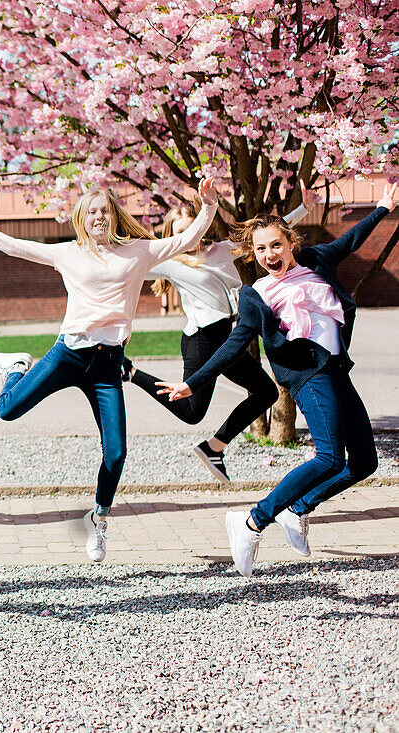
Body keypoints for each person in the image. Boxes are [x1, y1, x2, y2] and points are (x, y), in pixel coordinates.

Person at [0, 178, 218, 562]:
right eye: (91, 211)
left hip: (108, 366)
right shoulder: (67, 253)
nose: (98, 216)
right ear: (81, 219)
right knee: (6, 410)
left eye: (104, 210)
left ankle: (99, 520)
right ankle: (17, 366)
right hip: (67, 354)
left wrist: (208, 206)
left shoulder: (138, 252)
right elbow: (16, 247)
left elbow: (186, 240)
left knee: (117, 452)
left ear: (115, 216)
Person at [159, 182, 397, 577]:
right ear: (254, 254)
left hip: (338, 371)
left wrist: (384, 208)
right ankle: (253, 521)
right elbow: (234, 345)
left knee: (365, 462)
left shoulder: (318, 261)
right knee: (329, 457)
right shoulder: (258, 294)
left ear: (290, 243)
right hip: (309, 376)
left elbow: (352, 239)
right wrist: (193, 383)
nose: (270, 255)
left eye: (276, 245)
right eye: (261, 249)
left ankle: (299, 509)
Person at [124, 183, 315, 483]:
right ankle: (131, 372)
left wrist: (304, 207)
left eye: (193, 229)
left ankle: (214, 448)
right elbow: (128, 267)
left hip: (226, 338)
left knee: (265, 391)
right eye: (181, 232)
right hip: (201, 340)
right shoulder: (171, 263)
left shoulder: (222, 250)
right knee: (191, 412)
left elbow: (267, 235)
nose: (190, 237)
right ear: (173, 235)